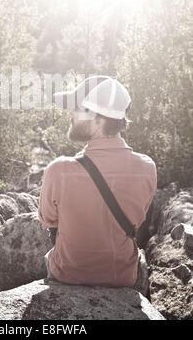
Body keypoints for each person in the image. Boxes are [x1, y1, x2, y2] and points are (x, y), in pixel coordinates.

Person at [38, 75, 157, 288]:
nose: (71, 113)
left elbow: (48, 220)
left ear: (99, 118)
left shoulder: (59, 170)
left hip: (67, 274)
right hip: (122, 277)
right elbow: (136, 222)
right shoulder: (147, 168)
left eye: (78, 108)